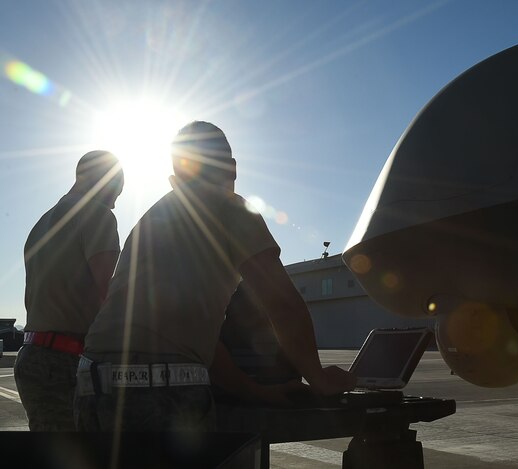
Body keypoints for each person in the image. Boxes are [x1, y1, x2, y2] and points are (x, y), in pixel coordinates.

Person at [75, 121, 356, 431]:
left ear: (174, 179)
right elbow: (282, 304)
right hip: (162, 395)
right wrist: (318, 378)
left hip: (92, 386)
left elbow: (194, 345)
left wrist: (257, 392)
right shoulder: (231, 207)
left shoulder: (148, 222)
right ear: (232, 168)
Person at [15, 150, 124, 431]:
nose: (113, 206)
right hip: (65, 362)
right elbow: (108, 294)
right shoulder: (98, 215)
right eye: (115, 195)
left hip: (31, 357)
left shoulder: (41, 224)